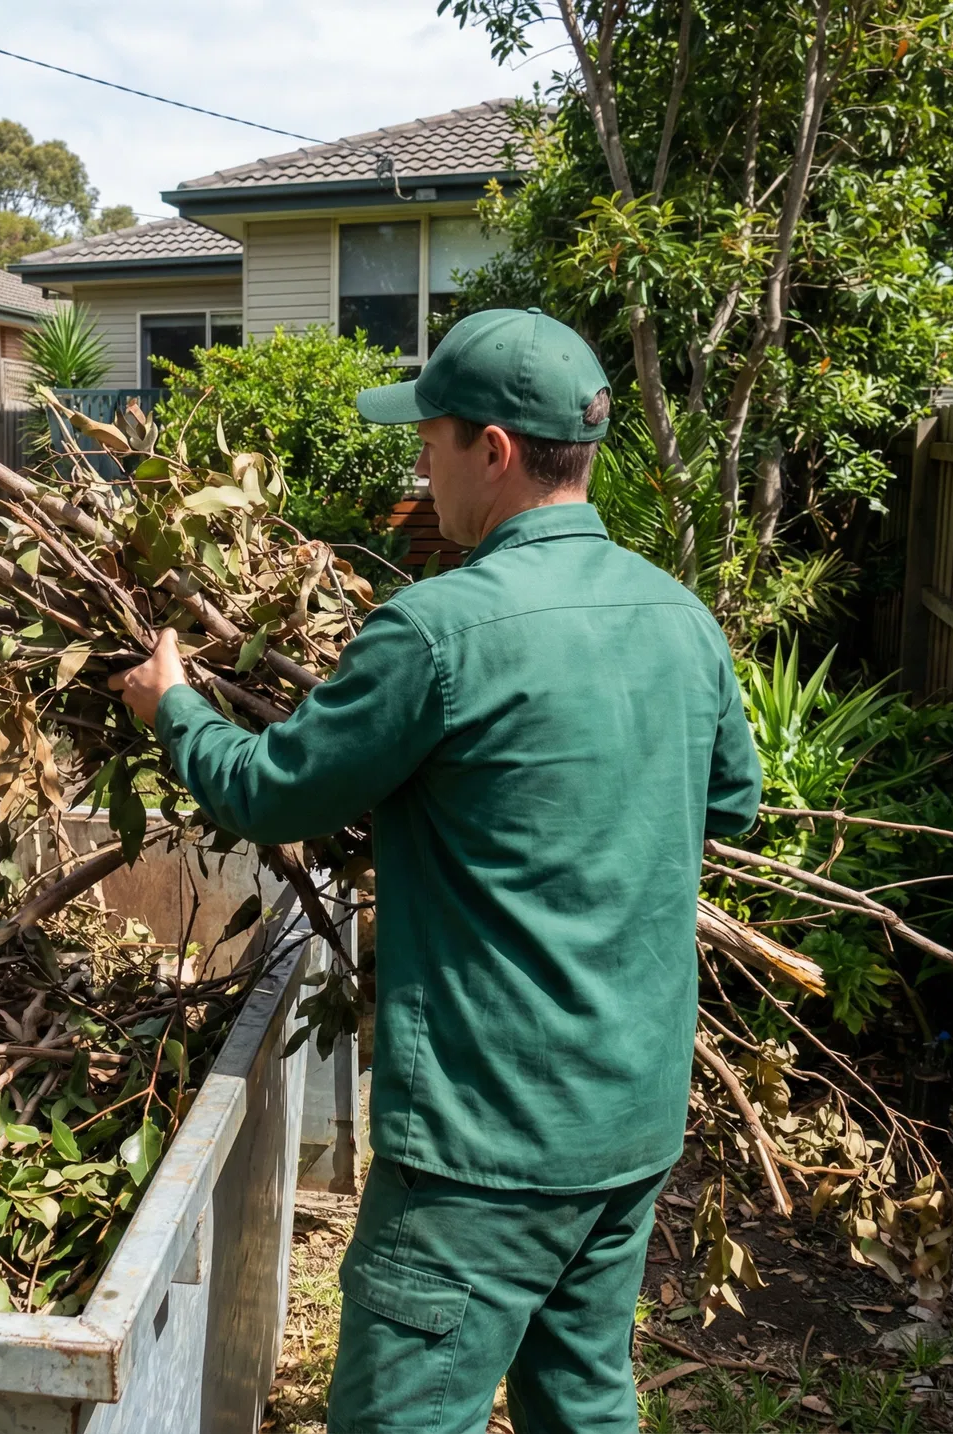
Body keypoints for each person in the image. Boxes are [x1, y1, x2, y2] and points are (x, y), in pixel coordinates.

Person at [109, 308, 760, 1434]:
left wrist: (171, 707)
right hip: (630, 1119)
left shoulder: (437, 632)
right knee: (587, 1399)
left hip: (482, 1145)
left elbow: (269, 792)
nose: (421, 463)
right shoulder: (683, 619)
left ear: (494, 451)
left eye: (433, 438)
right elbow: (730, 809)